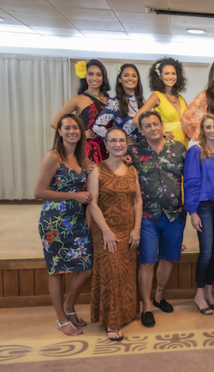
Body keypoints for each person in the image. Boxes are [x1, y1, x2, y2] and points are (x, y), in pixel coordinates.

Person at [34, 114, 93, 336]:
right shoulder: (53, 157)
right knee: (56, 271)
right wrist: (74, 195)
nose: (72, 131)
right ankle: (61, 319)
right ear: (59, 131)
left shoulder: (81, 158)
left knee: (86, 268)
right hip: (55, 223)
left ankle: (69, 307)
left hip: (77, 221)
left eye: (76, 127)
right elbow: (39, 192)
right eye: (67, 127)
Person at [129, 111, 187, 327]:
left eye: (155, 124)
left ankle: (159, 297)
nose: (153, 128)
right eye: (147, 126)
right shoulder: (133, 152)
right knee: (147, 261)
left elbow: (188, 179)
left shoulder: (179, 149)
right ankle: (146, 306)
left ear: (162, 126)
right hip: (146, 216)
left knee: (168, 258)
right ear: (141, 130)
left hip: (174, 214)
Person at [87, 128, 142, 341]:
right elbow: (92, 202)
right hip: (106, 232)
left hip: (129, 229)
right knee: (112, 273)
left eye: (121, 141)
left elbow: (137, 201)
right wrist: (107, 232)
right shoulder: (97, 169)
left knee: (126, 273)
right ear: (106, 144)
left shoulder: (132, 170)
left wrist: (136, 229)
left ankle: (126, 314)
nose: (118, 144)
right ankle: (112, 322)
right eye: (113, 141)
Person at [183, 114, 214, 315]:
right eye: (208, 127)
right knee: (206, 253)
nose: (212, 130)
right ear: (202, 130)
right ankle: (199, 294)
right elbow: (191, 181)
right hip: (203, 206)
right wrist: (193, 212)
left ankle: (210, 294)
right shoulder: (196, 151)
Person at [50, 59, 110, 163]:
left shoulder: (110, 101)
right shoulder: (77, 100)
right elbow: (54, 123)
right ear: (85, 76)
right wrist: (81, 134)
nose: (94, 78)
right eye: (90, 74)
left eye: (98, 74)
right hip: (88, 152)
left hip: (108, 149)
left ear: (103, 77)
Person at [133, 57, 189, 147]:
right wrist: (158, 134)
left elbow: (188, 121)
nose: (170, 77)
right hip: (166, 146)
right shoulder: (157, 96)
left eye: (173, 73)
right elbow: (136, 120)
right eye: (166, 73)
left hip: (184, 145)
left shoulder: (180, 98)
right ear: (160, 76)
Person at [93, 63, 145, 144]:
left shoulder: (142, 101)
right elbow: (97, 126)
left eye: (134, 76)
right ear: (119, 79)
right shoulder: (115, 102)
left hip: (144, 148)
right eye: (126, 75)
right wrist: (118, 140)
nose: (130, 78)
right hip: (126, 150)